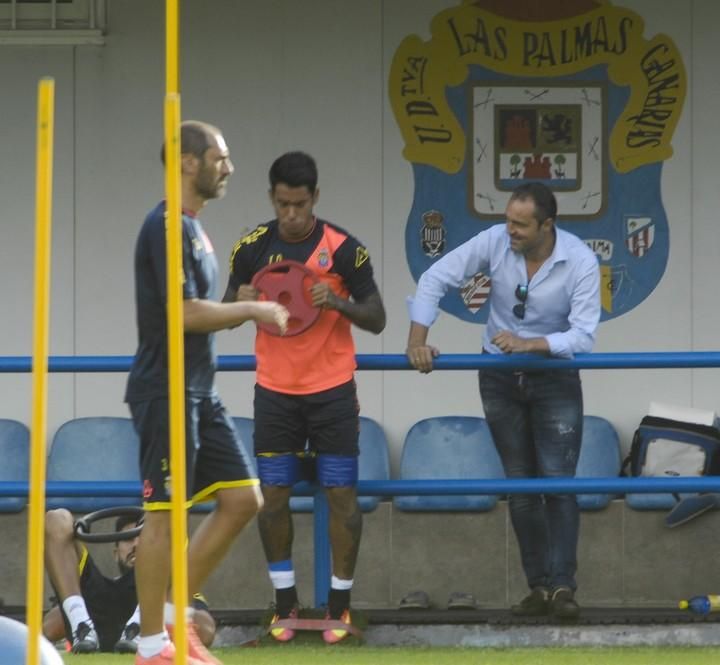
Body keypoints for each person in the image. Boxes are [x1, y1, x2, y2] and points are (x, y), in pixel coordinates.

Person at [125, 120, 289, 665]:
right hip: (167, 391)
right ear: (189, 162)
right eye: (221, 157)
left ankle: (176, 622)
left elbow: (197, 306)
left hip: (200, 391)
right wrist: (252, 308)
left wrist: (236, 300)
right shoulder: (167, 225)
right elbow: (182, 313)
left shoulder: (193, 227)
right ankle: (152, 646)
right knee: (165, 515)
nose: (230, 167)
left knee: (245, 499)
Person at [406, 182, 600, 620]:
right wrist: (417, 340)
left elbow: (584, 336)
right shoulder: (495, 240)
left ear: (547, 225)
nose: (508, 229)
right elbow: (435, 276)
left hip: (554, 375)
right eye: (508, 219)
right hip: (498, 376)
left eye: (520, 223)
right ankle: (539, 587)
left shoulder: (581, 260)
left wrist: (530, 344)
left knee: (558, 484)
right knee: (521, 486)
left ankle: (564, 587)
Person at [223, 151, 386, 644]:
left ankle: (340, 607)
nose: (290, 215)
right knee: (271, 498)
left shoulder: (343, 249)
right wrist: (241, 301)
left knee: (341, 496)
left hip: (333, 391)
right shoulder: (251, 248)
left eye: (298, 204)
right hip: (274, 392)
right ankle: (284, 606)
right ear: (271, 198)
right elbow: (227, 312)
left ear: (315, 198)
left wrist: (334, 301)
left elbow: (377, 317)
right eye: (281, 204)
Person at [43, 510, 216, 654]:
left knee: (169, 516)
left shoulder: (174, 582)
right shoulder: (83, 584)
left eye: (142, 538)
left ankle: (141, 624)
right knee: (56, 518)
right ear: (115, 552)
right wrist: (73, 610)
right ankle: (81, 626)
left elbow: (205, 631)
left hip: (152, 617)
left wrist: (167, 608)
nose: (135, 545)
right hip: (91, 617)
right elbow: (50, 628)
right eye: (128, 539)